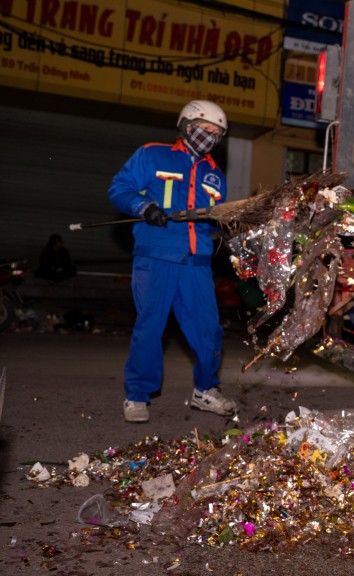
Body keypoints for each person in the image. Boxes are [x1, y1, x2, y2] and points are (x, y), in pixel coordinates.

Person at [108, 100, 237, 423]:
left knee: (209, 331)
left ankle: (206, 390)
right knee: (150, 328)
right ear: (186, 125)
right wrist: (143, 207)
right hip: (157, 259)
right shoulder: (152, 154)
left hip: (197, 264)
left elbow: (210, 219)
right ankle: (137, 396)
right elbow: (119, 188)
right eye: (204, 129)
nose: (209, 136)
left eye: (217, 133)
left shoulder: (215, 175)